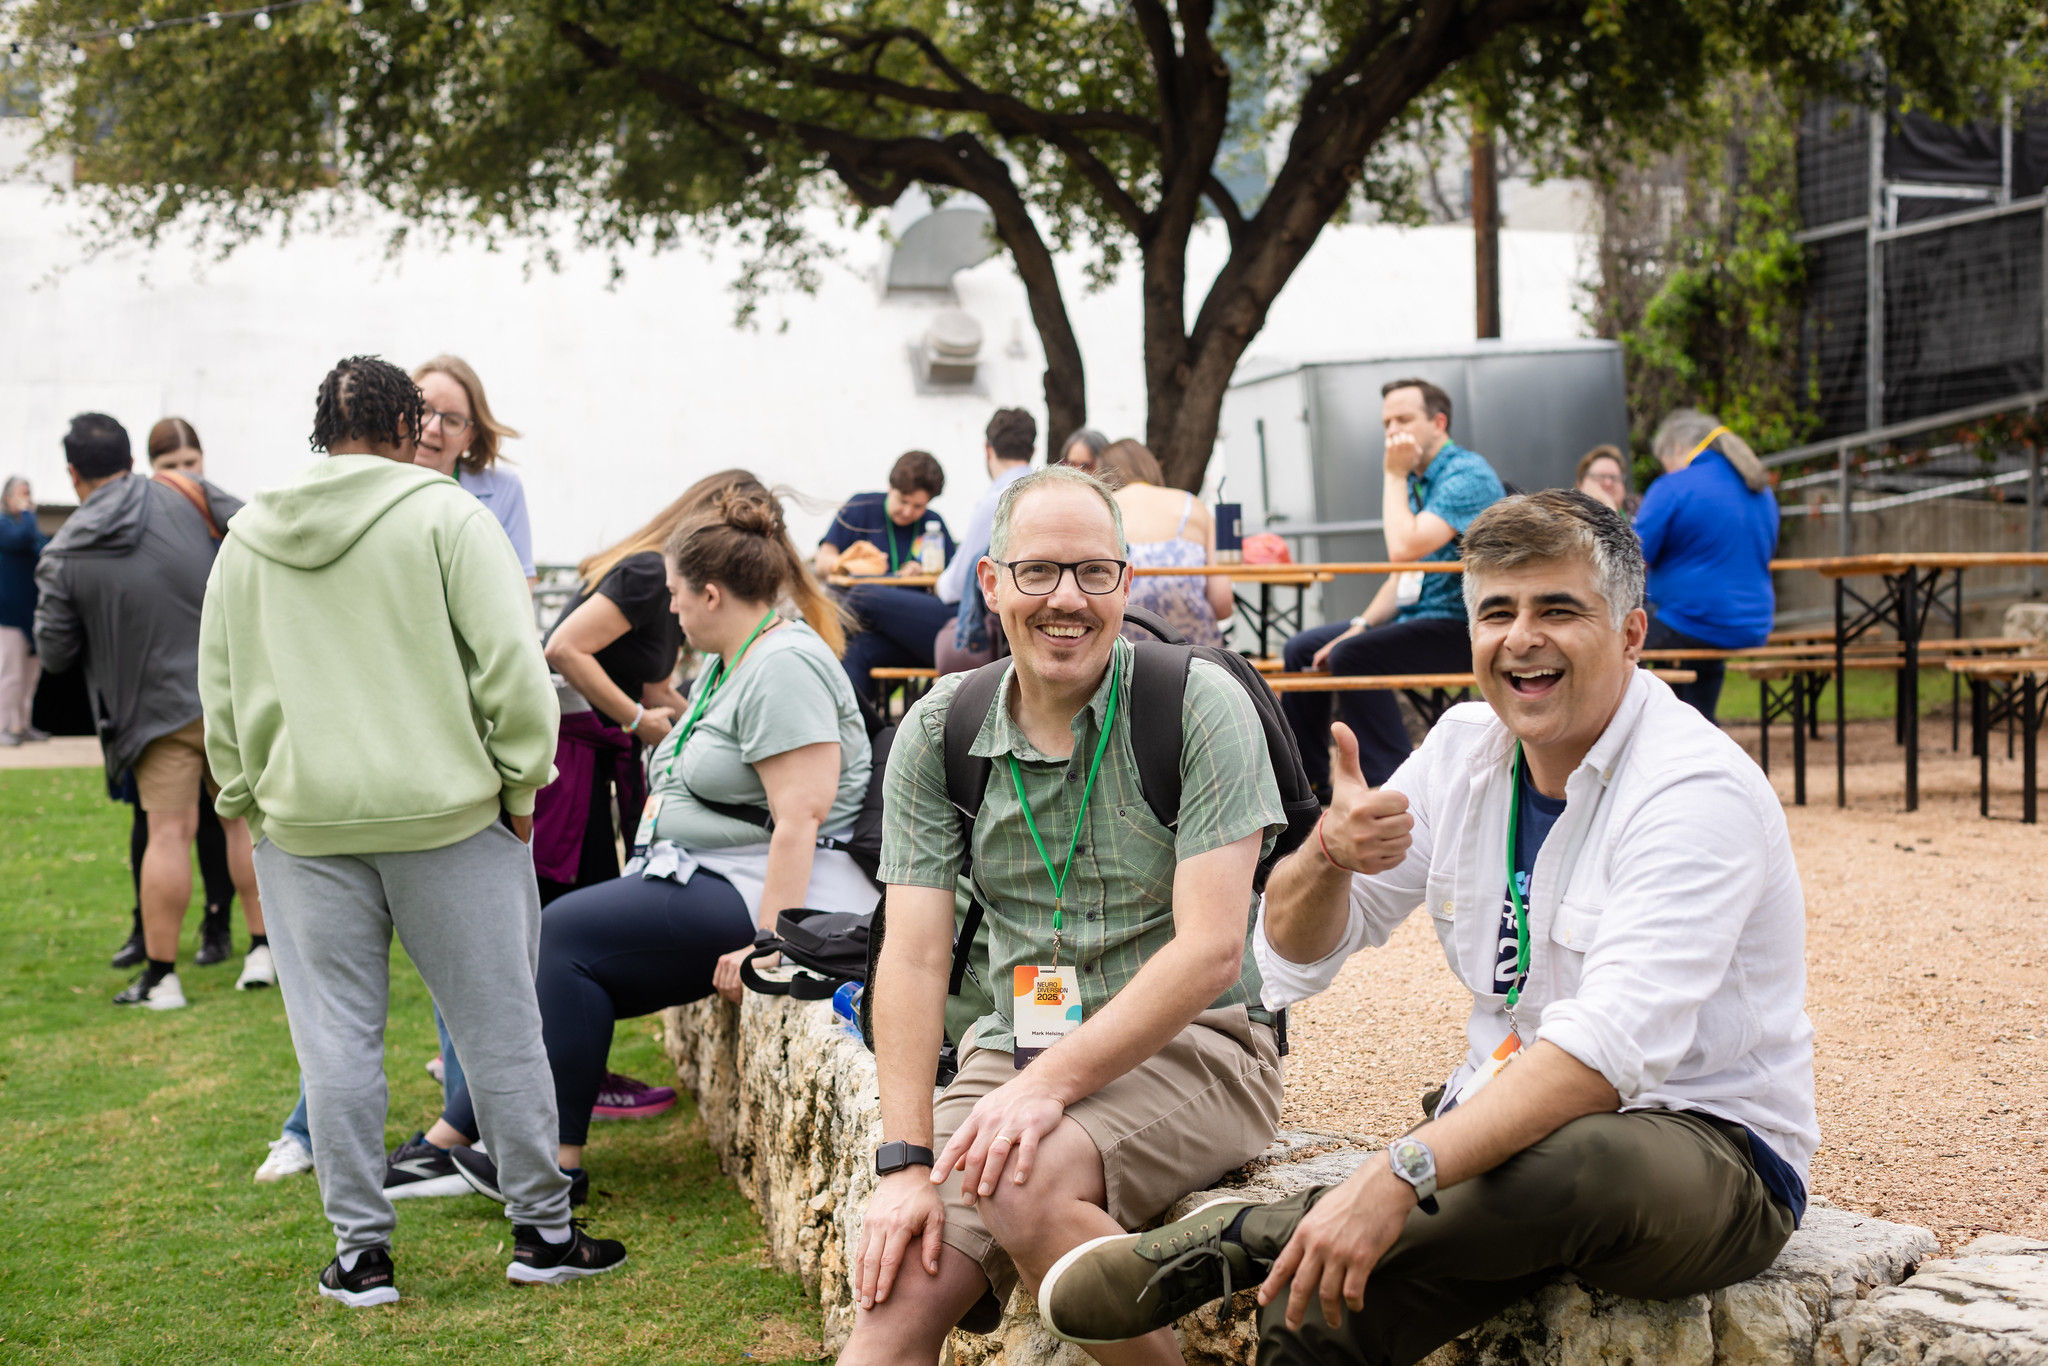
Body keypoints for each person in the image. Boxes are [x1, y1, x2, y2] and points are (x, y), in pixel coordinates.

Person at [1036, 490, 1816, 1366]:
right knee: (1316, 1300)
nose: (1523, 638)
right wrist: (1326, 854)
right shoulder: (1464, 749)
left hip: (1709, 1152)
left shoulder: (1691, 789)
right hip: (1503, 1131)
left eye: (1558, 609)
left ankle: (1247, 1239)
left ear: (1632, 633)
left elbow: (1606, 1057)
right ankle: (1295, 1247)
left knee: (1581, 1156)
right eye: (1497, 612)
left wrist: (1395, 1173)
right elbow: (1295, 956)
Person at [839, 465, 1287, 1366]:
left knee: (1023, 1186)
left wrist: (1040, 1091)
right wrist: (905, 1164)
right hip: (1015, 1048)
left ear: (1127, 581)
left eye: (1093, 573)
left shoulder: (1198, 704)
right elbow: (916, 958)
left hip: (1200, 1041)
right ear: (992, 583)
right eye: (1038, 572)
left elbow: (1208, 953)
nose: (1067, 600)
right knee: (892, 1298)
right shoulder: (939, 731)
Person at [200, 355, 624, 1304]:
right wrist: (525, 783)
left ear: (322, 430)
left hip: (303, 823)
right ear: (406, 427)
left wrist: (247, 797)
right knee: (501, 1029)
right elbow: (512, 671)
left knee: (335, 1042)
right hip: (450, 819)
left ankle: (361, 1256)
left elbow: (219, 688)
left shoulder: (247, 539)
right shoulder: (448, 517)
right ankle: (543, 1235)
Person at [403, 482, 870, 1204]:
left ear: (712, 594)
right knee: (557, 944)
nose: (671, 609)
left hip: (770, 892)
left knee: (563, 935)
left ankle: (549, 1164)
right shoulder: (730, 661)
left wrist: (771, 944)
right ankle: (463, 1139)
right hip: (707, 873)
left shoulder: (785, 667)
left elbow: (800, 819)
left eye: (679, 594)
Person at [34, 413, 271, 1007]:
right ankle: (264, 953)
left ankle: (163, 978)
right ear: (131, 459)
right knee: (243, 823)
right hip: (226, 693)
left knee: (167, 834)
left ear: (72, 474)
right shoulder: (185, 489)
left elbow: (56, 655)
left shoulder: (61, 554)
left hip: (147, 713)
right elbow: (259, 528)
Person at [1279, 378, 1504, 793]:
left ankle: (1394, 785)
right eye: (1386, 423)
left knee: (1355, 657)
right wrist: (1360, 625)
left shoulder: (1466, 474)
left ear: (1438, 423)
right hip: (1414, 618)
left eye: (1404, 419)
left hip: (1463, 625)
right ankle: (1306, 787)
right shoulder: (1417, 483)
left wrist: (1392, 474)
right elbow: (1402, 574)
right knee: (1303, 649)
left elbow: (1401, 549)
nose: (1392, 431)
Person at [532, 478, 728, 902]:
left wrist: (710, 727)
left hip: (597, 766)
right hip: (567, 766)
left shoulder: (668, 582)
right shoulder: (649, 572)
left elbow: (653, 686)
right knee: (564, 911)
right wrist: (636, 719)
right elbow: (563, 649)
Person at [112, 419, 243, 973]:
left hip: (214, 687)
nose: (186, 475)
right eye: (172, 466)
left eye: (192, 463)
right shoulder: (140, 519)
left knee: (221, 821)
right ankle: (148, 928)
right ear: (150, 470)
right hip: (155, 693)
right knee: (153, 823)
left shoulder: (221, 518)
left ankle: (219, 924)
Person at [1634, 410, 1779, 723]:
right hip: (1752, 624)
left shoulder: (1674, 486)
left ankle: (1640, 736)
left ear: (1676, 448)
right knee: (1694, 647)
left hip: (1693, 620)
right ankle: (1702, 725)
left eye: (1664, 461)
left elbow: (1633, 555)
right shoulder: (1760, 489)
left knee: (1621, 640)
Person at [822, 450, 959, 702]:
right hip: (867, 631)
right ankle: (861, 732)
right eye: (903, 501)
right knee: (857, 650)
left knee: (864, 599)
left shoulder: (934, 526)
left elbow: (949, 584)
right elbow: (824, 561)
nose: (908, 512)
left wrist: (926, 573)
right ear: (890, 487)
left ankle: (815, 643)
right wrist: (851, 564)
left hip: (907, 629)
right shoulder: (859, 507)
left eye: (918, 506)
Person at [411, 355, 538, 588]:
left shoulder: (504, 490)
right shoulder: (371, 480)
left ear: (470, 437)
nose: (432, 428)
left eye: (452, 421)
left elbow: (521, 589)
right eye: (423, 409)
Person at [1095, 439, 1233, 649]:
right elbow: (1223, 604)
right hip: (1197, 657)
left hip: (1126, 659)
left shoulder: (1101, 509)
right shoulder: (1192, 506)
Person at [933, 408, 1037, 674]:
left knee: (866, 599)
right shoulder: (1042, 492)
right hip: (1013, 617)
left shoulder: (997, 500)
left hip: (983, 622)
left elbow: (953, 588)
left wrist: (935, 581)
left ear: (987, 449)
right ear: (1032, 450)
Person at [0, 476, 48, 746]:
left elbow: (42, 547)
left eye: (29, 493)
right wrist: (29, 513)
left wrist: (29, 517)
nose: (27, 498)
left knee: (30, 675)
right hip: (9, 615)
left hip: (31, 614)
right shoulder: (4, 525)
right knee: (10, 674)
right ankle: (4, 726)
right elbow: (22, 539)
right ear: (7, 498)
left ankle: (22, 725)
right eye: (21, 493)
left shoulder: (28, 527)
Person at [1574, 444, 1629, 511]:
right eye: (1600, 477)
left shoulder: (1638, 514)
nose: (1608, 483)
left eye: (1614, 477)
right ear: (1580, 485)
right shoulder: (1564, 517)